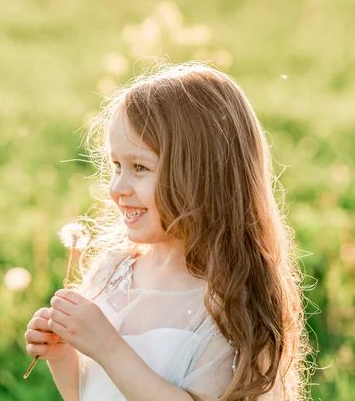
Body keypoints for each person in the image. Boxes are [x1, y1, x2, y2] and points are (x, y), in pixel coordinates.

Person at [24, 61, 313, 400]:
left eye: (140, 167)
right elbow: (89, 393)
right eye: (116, 165)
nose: (117, 188)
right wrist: (61, 356)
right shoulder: (112, 270)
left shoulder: (227, 300)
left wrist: (107, 346)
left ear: (201, 176)